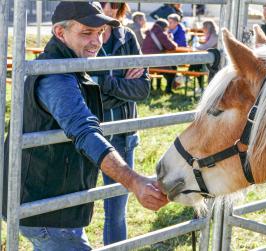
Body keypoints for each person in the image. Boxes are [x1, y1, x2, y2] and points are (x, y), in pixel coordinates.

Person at [2, 2, 168, 250]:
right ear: (60, 33)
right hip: (46, 211)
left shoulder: (73, 66)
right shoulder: (56, 76)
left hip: (48, 200)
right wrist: (134, 181)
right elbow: (85, 130)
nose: (97, 42)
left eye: (100, 32)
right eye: (86, 33)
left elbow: (136, 89)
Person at [92, 2, 150, 245]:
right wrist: (121, 84)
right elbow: (82, 94)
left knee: (115, 211)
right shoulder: (84, 36)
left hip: (122, 134)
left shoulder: (127, 37)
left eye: (115, 4)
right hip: (86, 132)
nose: (111, 9)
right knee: (73, 204)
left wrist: (104, 84)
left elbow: (142, 88)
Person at [142, 19, 177, 93]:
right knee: (173, 68)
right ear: (164, 27)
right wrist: (169, 38)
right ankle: (168, 89)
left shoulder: (149, 33)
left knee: (165, 66)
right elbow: (172, 47)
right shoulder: (161, 34)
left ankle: (153, 87)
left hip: (145, 61)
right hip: (155, 61)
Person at [189, 19, 219, 92]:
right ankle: (200, 87)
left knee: (196, 64)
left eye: (203, 27)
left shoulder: (214, 36)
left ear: (208, 28)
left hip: (214, 62)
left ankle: (186, 76)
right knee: (196, 64)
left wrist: (195, 45)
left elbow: (206, 47)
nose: (202, 29)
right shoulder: (210, 36)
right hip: (209, 60)